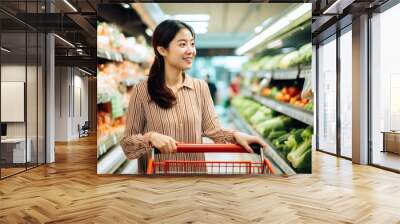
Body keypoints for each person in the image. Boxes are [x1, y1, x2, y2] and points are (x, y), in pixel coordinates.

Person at [120, 20, 266, 160]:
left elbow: (213, 131)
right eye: (183, 44)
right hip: (157, 180)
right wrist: (150, 138)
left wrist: (236, 135)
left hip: (194, 176)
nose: (191, 51)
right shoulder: (142, 90)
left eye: (192, 44)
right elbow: (127, 145)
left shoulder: (200, 87)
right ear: (162, 49)